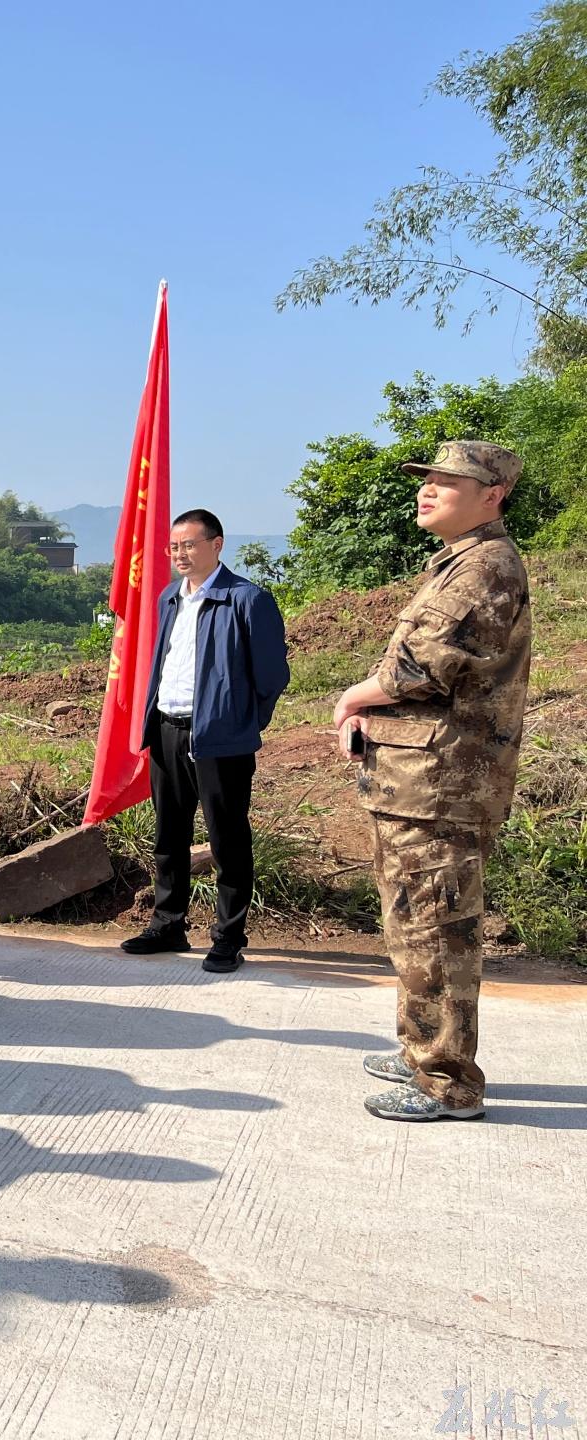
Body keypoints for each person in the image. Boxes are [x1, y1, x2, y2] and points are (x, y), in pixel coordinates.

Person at [333, 440, 532, 1123]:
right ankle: (422, 1049)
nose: (428, 490)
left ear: (492, 494)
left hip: (445, 785)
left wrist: (354, 699)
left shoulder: (485, 569)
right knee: (413, 924)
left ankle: (447, 1081)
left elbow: (419, 671)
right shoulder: (458, 563)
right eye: (428, 480)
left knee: (440, 930)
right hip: (417, 779)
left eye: (448, 482)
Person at [122, 508, 290, 974]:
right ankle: (168, 924)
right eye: (174, 546)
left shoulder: (246, 599)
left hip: (222, 740)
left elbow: (272, 675)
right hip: (168, 730)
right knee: (168, 836)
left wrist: (241, 723)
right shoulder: (169, 599)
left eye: (190, 544)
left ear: (217, 545)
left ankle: (228, 937)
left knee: (227, 839)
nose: (180, 554)